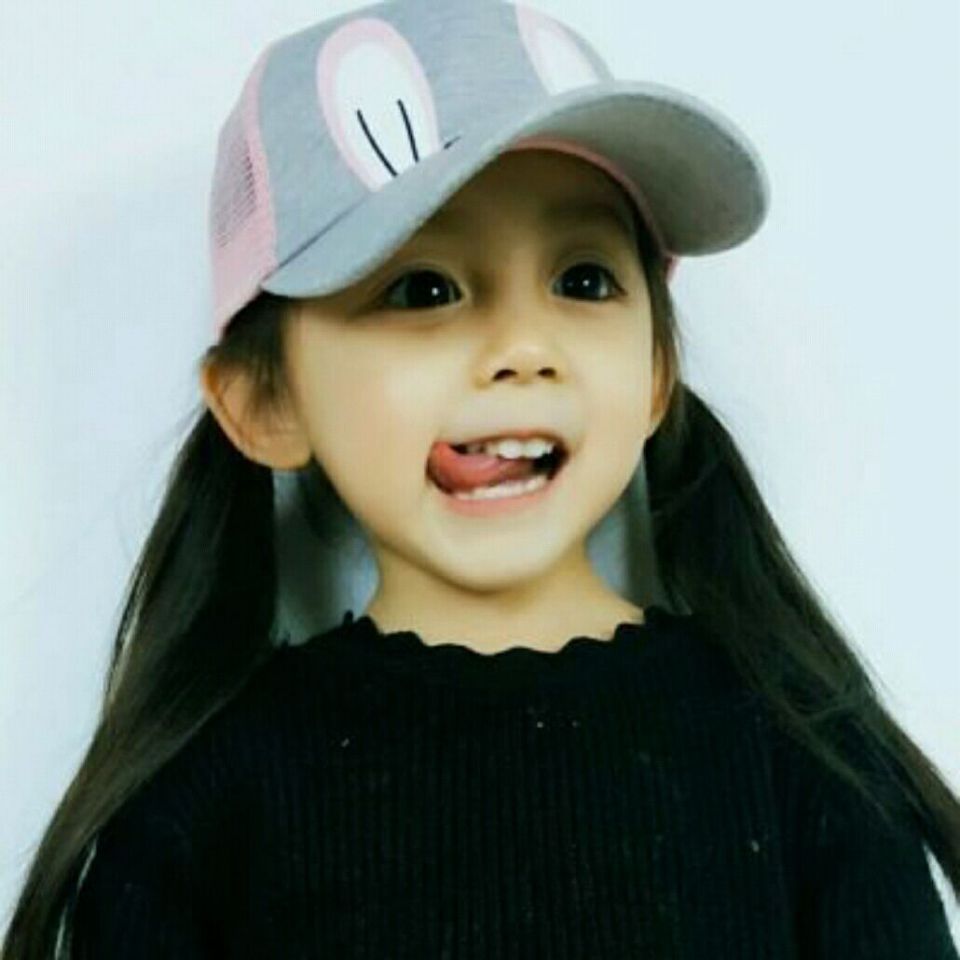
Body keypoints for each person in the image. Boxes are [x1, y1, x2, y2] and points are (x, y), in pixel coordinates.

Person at [3, 1, 958, 957]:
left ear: (657, 374)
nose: (522, 347)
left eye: (583, 280)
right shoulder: (200, 810)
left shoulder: (809, 764)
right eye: (423, 289)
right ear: (266, 401)